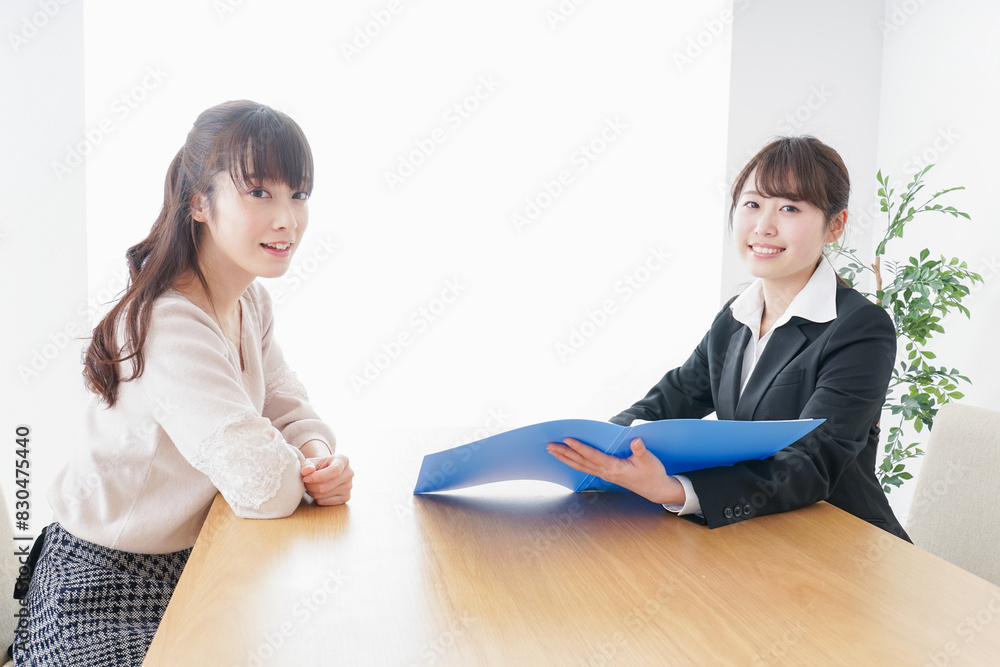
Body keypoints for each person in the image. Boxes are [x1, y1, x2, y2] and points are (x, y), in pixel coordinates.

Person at [12, 100, 354, 666]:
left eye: (299, 194)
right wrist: (302, 474)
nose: (287, 219)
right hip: (99, 591)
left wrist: (319, 461)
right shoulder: (169, 322)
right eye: (259, 192)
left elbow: (289, 408)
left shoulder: (249, 301)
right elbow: (264, 487)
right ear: (198, 202)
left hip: (196, 565)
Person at [547, 136, 909, 541]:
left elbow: (812, 462)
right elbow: (671, 400)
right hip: (758, 534)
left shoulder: (860, 328)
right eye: (752, 204)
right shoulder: (736, 317)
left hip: (842, 540)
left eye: (790, 208)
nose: (763, 226)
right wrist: (596, 452)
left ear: (835, 225)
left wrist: (675, 490)